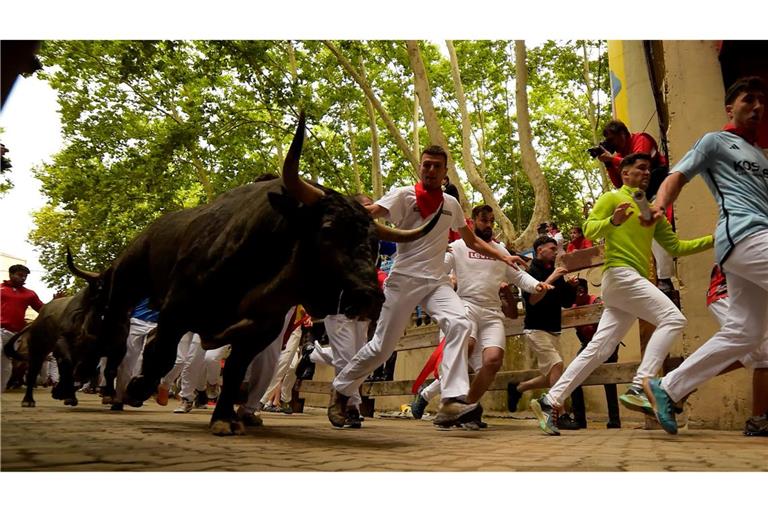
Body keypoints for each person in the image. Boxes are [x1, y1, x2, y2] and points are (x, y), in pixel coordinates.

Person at [328, 145, 527, 428]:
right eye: (426, 165)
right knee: (382, 348)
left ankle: (451, 400)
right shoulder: (403, 195)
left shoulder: (451, 205)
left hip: (436, 282)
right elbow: (373, 211)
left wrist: (504, 255)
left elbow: (471, 241)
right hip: (404, 280)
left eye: (437, 166)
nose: (431, 170)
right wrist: (347, 212)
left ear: (445, 173)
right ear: (420, 168)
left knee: (460, 324)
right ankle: (341, 388)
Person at [529, 152, 713, 435]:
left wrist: (716, 239)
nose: (646, 173)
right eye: (640, 168)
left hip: (625, 286)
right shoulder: (612, 198)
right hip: (619, 275)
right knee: (673, 319)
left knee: (598, 350)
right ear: (625, 174)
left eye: (649, 169)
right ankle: (641, 385)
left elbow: (677, 247)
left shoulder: (652, 213)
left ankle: (550, 400)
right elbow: (590, 227)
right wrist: (612, 223)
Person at [642, 77, 768, 435]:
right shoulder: (715, 141)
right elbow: (677, 175)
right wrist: (659, 205)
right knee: (749, 335)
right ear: (730, 108)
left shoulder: (760, 155)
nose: (757, 107)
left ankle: (667, 387)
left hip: (753, 241)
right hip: (743, 235)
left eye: (761, 101)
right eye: (748, 100)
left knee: (746, 333)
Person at [410, 205, 552, 426]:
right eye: (484, 220)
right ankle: (440, 401)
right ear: (472, 222)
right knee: (465, 347)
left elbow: (520, 277)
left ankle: (466, 409)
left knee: (493, 360)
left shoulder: (502, 251)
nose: (488, 225)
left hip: (492, 313)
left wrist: (538, 285)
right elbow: (439, 268)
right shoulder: (458, 247)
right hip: (465, 306)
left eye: (491, 221)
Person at [508, 236, 580, 430]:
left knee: (552, 374)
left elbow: (566, 302)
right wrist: (551, 279)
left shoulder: (554, 271)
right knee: (557, 364)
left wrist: (571, 287)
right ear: (539, 250)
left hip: (554, 330)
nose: (555, 252)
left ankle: (518, 388)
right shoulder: (530, 273)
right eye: (551, 248)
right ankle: (559, 413)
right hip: (536, 329)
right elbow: (532, 300)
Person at [705, 265, 768, 436]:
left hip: (749, 294)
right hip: (727, 293)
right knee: (761, 353)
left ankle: (759, 421)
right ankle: (673, 385)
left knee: (762, 355)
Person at [569, 278, 621, 429]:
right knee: (573, 373)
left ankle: (614, 420)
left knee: (609, 378)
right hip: (587, 344)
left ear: (583, 290)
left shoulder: (596, 302)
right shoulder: (572, 307)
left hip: (607, 342)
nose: (578, 292)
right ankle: (579, 419)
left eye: (579, 289)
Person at [1, 264, 44, 392]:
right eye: (20, 275)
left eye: (25, 276)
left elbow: (43, 309)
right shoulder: (1, 289)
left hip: (14, 334)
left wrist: (55, 303)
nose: (23, 278)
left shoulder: (29, 294)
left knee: (6, 365)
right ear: (11, 274)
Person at [111, 298, 159, 411]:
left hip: (156, 324)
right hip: (136, 321)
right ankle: (119, 398)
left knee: (143, 360)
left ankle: (134, 394)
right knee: (127, 359)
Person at [597, 119, 668, 194]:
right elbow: (619, 184)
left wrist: (612, 159)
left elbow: (639, 163)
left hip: (661, 177)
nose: (611, 144)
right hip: (644, 186)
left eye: (611, 140)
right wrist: (608, 164)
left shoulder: (641, 139)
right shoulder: (620, 155)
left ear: (622, 134)